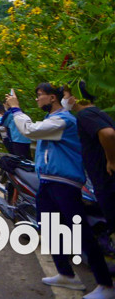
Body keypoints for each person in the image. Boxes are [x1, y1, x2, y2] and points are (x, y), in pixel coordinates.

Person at [6, 84, 114, 297]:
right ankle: (66, 274)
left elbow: (30, 130)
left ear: (52, 97)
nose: (37, 100)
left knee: (80, 232)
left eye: (39, 96)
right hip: (47, 181)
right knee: (49, 228)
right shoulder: (52, 120)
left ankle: (106, 285)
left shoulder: (64, 120)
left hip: (64, 182)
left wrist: (16, 109)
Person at [62, 83, 115, 247]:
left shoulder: (85, 114)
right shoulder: (99, 112)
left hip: (105, 179)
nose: (63, 99)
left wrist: (111, 160)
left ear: (75, 96)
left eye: (64, 95)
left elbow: (108, 133)